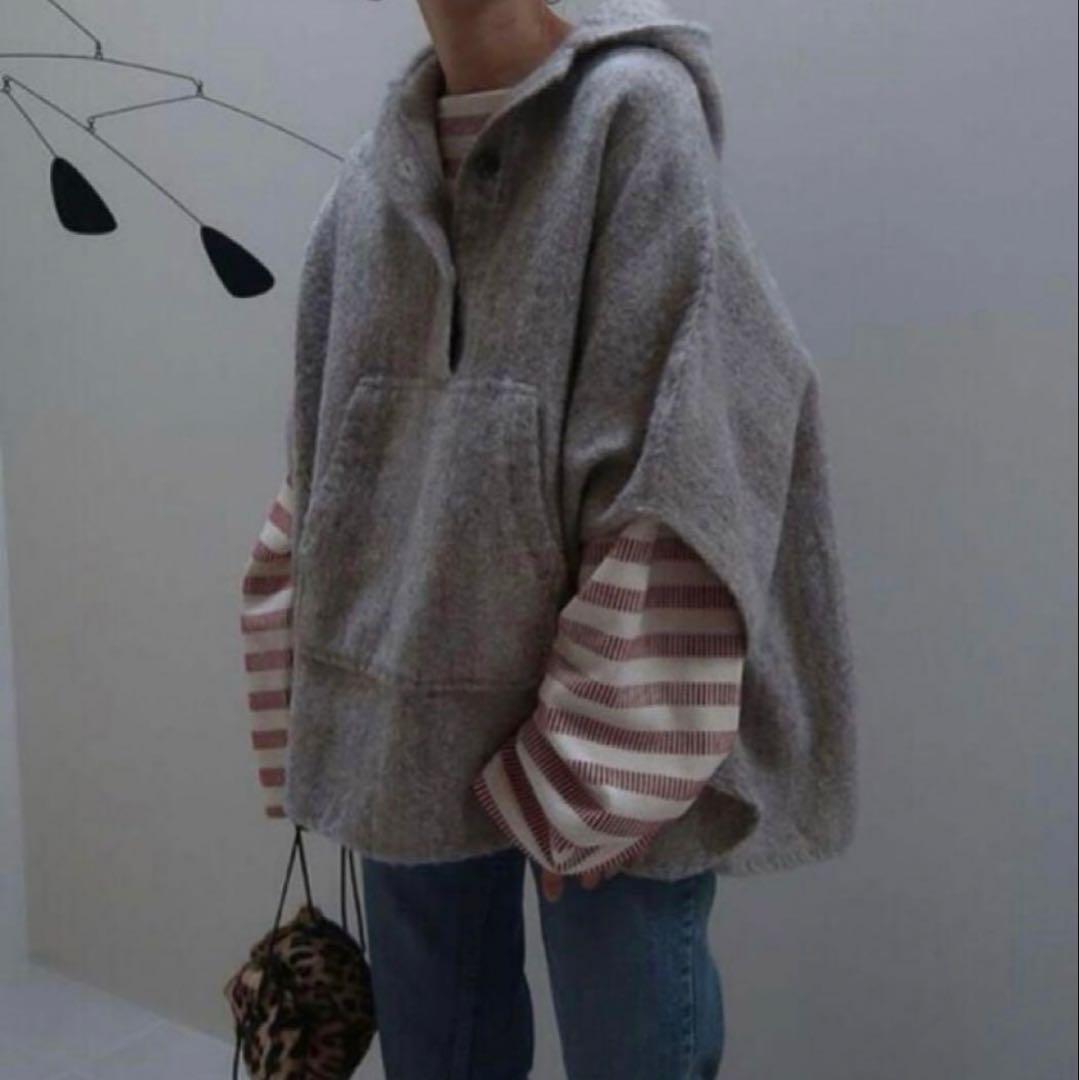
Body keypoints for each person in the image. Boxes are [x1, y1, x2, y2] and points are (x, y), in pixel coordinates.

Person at [239, 1, 858, 1076]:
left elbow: (690, 443)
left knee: (629, 1049)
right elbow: (326, 461)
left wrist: (598, 757)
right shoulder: (375, 174)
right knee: (438, 1055)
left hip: (613, 728)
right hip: (405, 708)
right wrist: (320, 696)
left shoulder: (633, 117)